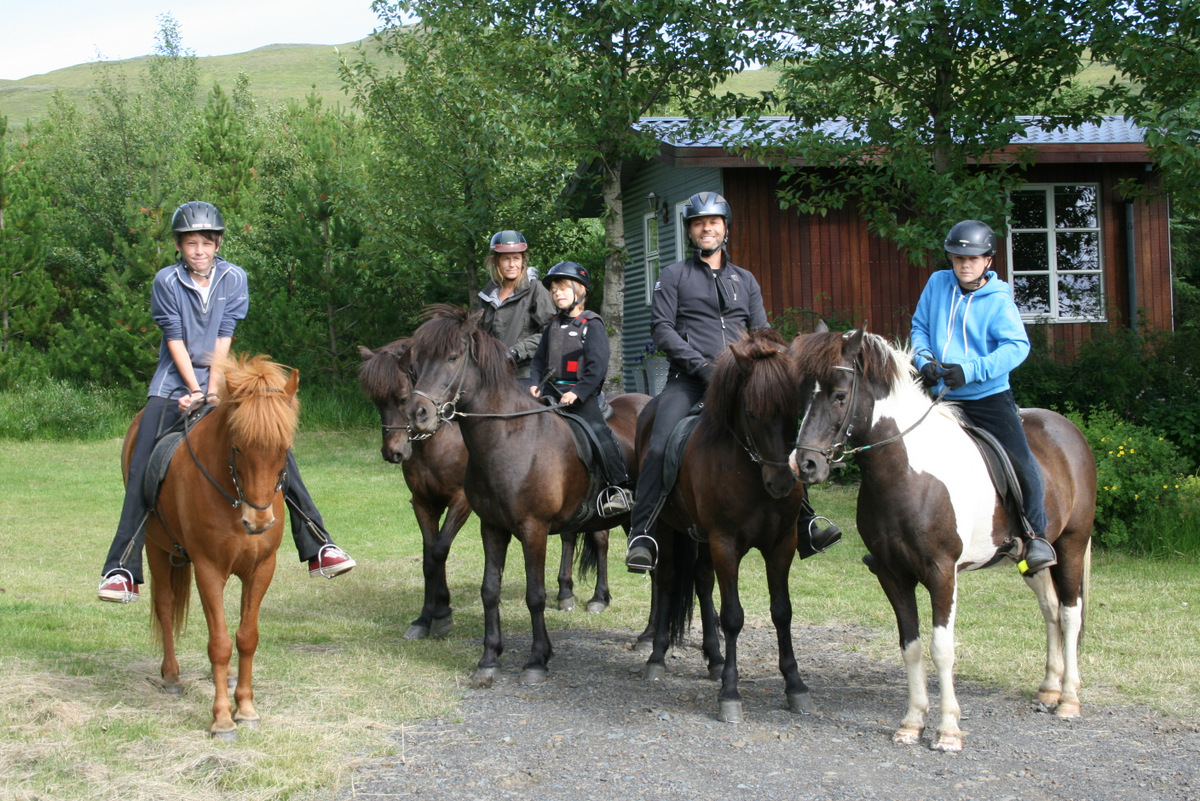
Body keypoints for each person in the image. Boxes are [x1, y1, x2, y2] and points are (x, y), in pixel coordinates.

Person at [98, 201, 355, 603]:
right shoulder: (167, 280)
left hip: (223, 380)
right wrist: (194, 388)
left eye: (206, 243)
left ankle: (318, 542)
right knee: (142, 464)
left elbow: (224, 334)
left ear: (217, 244)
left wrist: (215, 387)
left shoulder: (234, 277)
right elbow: (174, 339)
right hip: (171, 384)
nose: (198, 250)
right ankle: (121, 567)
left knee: (272, 446)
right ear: (179, 246)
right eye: (190, 243)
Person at [624, 191, 841, 572]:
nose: (706, 228)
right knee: (658, 445)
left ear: (725, 228)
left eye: (713, 222)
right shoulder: (674, 276)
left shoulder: (745, 279)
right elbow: (662, 329)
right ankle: (642, 533)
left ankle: (806, 522)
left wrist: (778, 359)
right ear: (690, 231)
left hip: (745, 379)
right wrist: (703, 367)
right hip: (690, 379)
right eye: (698, 223)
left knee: (781, 435)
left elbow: (762, 329)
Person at [910, 219, 1056, 574]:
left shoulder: (999, 300)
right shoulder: (937, 284)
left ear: (987, 260)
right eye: (958, 257)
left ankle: (1036, 537)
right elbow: (920, 327)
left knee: (1021, 461)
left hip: (987, 398)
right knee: (905, 456)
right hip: (940, 397)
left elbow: (1017, 347)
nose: (964, 264)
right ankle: (900, 540)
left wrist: (970, 370)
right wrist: (923, 360)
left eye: (972, 258)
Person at [529, 261, 633, 518]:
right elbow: (538, 361)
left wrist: (577, 392)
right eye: (554, 290)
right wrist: (534, 383)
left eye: (564, 288)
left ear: (581, 290)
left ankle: (620, 487)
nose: (558, 294)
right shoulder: (552, 326)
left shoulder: (592, 324)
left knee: (598, 431)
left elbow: (597, 368)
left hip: (581, 395)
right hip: (550, 393)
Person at [476, 230, 555, 384]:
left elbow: (551, 332)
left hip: (525, 375)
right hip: (491, 375)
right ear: (496, 261)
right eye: (506, 259)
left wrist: (518, 351)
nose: (512, 264)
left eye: (516, 258)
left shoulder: (536, 290)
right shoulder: (487, 294)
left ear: (523, 261)